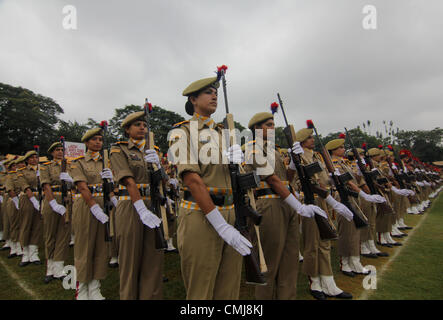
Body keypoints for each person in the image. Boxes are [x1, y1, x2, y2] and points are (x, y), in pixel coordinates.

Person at [169, 75, 251, 299]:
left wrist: (238, 161)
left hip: (231, 213)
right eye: (208, 92)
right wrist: (219, 225)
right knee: (201, 290)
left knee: (229, 287)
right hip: (201, 216)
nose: (214, 95)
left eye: (215, 92)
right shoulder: (182, 132)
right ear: (193, 99)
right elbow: (192, 179)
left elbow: (234, 178)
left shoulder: (224, 133)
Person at [243, 114, 332, 300]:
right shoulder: (253, 149)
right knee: (270, 261)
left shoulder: (274, 152)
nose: (273, 128)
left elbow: (286, 179)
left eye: (273, 124)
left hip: (286, 202)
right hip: (269, 204)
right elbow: (272, 180)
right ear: (257, 129)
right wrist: (298, 206)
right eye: (269, 125)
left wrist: (293, 161)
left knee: (289, 260)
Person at [110, 111, 164, 300]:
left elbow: (162, 182)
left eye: (144, 125)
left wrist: (159, 166)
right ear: (127, 129)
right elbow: (128, 181)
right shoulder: (119, 150)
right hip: (131, 205)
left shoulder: (154, 151)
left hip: (153, 203)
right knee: (130, 258)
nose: (142, 127)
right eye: (137, 125)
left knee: (153, 258)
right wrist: (141, 209)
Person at [294, 128, 353, 299]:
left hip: (323, 200)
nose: (312, 140)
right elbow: (301, 182)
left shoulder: (316, 157)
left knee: (325, 243)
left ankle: (328, 281)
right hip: (310, 201)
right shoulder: (299, 157)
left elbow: (324, 179)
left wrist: (332, 179)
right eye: (309, 137)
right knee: (312, 244)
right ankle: (315, 282)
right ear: (303, 140)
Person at [325, 138, 386, 277]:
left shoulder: (343, 163)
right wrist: (364, 195)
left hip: (352, 196)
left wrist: (361, 171)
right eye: (340, 147)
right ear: (333, 150)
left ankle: (354, 260)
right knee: (346, 230)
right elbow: (348, 183)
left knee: (354, 230)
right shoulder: (334, 165)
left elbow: (355, 180)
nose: (343, 149)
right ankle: (345, 263)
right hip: (343, 197)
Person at [69, 127, 117, 300]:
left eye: (100, 139)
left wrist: (112, 184)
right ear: (87, 143)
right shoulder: (78, 162)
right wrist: (94, 208)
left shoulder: (107, 162)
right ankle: (82, 288)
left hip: (103, 203)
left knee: (100, 246)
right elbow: (82, 187)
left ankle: (95, 287)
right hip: (85, 205)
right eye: (94, 139)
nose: (98, 142)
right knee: (84, 246)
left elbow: (111, 187)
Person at [40, 142, 73, 283]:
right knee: (50, 234)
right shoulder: (45, 166)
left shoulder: (70, 165)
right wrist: (53, 203)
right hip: (51, 199)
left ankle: (59, 268)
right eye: (57, 150)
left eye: (62, 150)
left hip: (66, 199)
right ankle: (50, 268)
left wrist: (70, 180)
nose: (60, 152)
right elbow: (46, 185)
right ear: (52, 152)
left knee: (63, 235)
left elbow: (76, 182)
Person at [16, 150, 43, 266]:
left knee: (37, 226)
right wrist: (33, 200)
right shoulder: (21, 171)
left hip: (40, 197)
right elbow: (24, 186)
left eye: (36, 157)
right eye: (31, 158)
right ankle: (25, 254)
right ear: (27, 160)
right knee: (26, 225)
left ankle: (34, 253)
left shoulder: (42, 170)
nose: (34, 159)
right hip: (27, 199)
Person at [4, 157, 26, 259]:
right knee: (14, 224)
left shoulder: (23, 174)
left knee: (22, 224)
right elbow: (10, 189)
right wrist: (17, 202)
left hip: (23, 200)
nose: (22, 165)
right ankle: (14, 247)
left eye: (23, 163)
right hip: (14, 201)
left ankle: (21, 245)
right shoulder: (11, 175)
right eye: (20, 163)